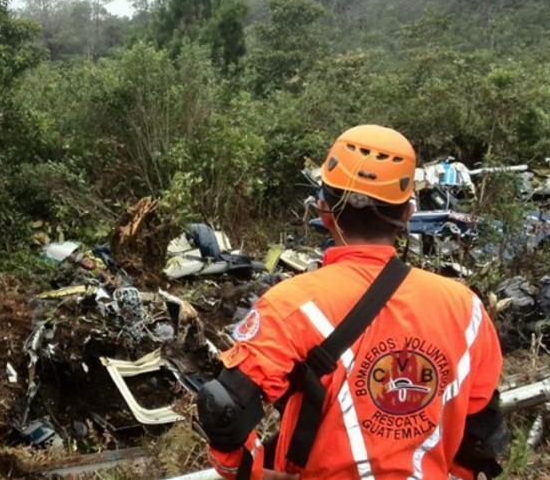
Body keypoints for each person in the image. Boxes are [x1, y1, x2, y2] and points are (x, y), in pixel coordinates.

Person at [197, 125, 506, 480]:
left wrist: (245, 471)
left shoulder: (291, 306)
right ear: (407, 214)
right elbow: (482, 426)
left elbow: (223, 407)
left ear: (323, 209)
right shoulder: (465, 309)